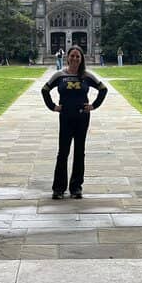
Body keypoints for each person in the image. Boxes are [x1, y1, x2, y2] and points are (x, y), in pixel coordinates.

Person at [41, 45, 107, 200]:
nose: (75, 59)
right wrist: (53, 107)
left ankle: (76, 187)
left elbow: (103, 89)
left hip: (82, 118)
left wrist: (93, 105)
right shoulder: (59, 75)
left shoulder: (86, 76)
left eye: (78, 56)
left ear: (81, 58)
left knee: (79, 152)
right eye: (72, 56)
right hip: (65, 117)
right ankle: (58, 188)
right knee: (63, 152)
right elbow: (45, 90)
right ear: (67, 57)